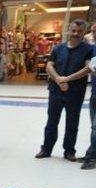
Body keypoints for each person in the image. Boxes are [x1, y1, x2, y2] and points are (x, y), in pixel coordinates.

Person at [35, 19, 93, 161]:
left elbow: (87, 69)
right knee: (51, 121)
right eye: (73, 30)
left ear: (84, 32)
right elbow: (49, 66)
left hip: (75, 92)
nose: (75, 33)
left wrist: (67, 79)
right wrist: (59, 79)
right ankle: (46, 149)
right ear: (68, 30)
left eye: (79, 31)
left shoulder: (88, 50)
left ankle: (69, 151)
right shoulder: (58, 48)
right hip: (56, 90)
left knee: (72, 122)